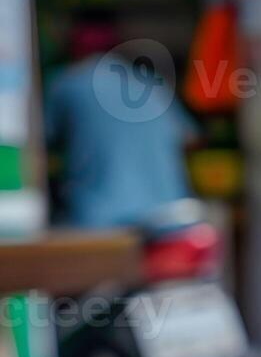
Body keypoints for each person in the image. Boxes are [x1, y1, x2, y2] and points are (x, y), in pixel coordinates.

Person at [43, 21, 199, 229]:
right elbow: (190, 139)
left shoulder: (67, 82)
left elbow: (39, 143)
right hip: (168, 215)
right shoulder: (149, 82)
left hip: (100, 217)